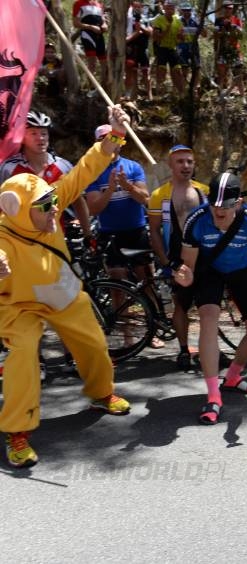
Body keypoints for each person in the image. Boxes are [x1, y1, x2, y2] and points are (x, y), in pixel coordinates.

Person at [0, 106, 132, 469]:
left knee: (92, 342)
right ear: (16, 210)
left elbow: (88, 167)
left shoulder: (50, 199)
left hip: (62, 293)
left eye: (51, 204)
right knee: (22, 359)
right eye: (43, 209)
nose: (53, 213)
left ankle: (102, 393)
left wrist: (115, 135)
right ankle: (17, 432)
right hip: (18, 305)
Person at [174, 172, 247, 425]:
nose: (219, 211)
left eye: (226, 206)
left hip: (241, 270)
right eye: (214, 205)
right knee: (208, 318)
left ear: (239, 203)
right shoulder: (196, 220)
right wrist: (184, 276)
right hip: (210, 271)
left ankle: (233, 376)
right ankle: (213, 396)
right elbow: (188, 267)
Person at [148, 145, 208, 369]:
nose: (186, 166)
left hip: (203, 257)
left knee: (207, 306)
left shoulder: (204, 191)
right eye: (180, 162)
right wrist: (165, 261)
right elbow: (154, 230)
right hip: (176, 258)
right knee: (180, 306)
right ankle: (184, 349)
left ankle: (206, 349)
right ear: (171, 165)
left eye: (189, 162)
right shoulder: (159, 195)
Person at [0, 111, 92, 242]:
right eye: (33, 133)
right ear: (22, 137)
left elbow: (78, 201)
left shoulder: (63, 166)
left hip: (55, 241)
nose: (40, 138)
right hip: (20, 243)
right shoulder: (8, 168)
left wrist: (88, 234)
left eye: (44, 133)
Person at [84, 124, 152, 292]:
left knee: (147, 281)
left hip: (136, 230)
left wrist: (127, 186)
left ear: (121, 141)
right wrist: (111, 189)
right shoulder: (93, 172)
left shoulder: (133, 167)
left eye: (113, 138)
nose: (110, 143)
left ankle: (155, 316)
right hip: (109, 233)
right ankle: (121, 317)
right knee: (117, 285)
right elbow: (93, 209)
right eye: (103, 139)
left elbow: (145, 199)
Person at [151, 0, 185, 96]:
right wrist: (167, 29)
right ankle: (159, 93)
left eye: (172, 8)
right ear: (164, 9)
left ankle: (181, 94)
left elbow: (182, 37)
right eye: (168, 8)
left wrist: (181, 36)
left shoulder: (177, 20)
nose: (170, 10)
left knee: (177, 71)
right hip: (161, 48)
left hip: (173, 48)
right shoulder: (159, 20)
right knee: (161, 71)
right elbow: (156, 37)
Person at [72, 0, 109, 89]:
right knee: (92, 62)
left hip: (99, 35)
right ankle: (91, 87)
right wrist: (90, 27)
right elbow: (75, 23)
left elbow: (103, 20)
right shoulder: (78, 3)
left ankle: (103, 86)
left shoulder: (99, 4)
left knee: (104, 61)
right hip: (87, 34)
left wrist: (105, 25)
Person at [214, 1, 245, 103]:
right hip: (223, 50)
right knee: (222, 75)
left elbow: (241, 35)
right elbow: (216, 35)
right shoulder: (218, 21)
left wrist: (234, 27)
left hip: (235, 51)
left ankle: (242, 97)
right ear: (222, 9)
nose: (228, 10)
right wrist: (223, 29)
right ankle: (220, 95)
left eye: (230, 8)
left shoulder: (236, 20)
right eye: (226, 8)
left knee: (238, 75)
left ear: (232, 9)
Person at [125, 5, 154, 101]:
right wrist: (137, 32)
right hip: (132, 49)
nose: (138, 7)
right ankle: (133, 95)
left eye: (140, 6)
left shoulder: (146, 18)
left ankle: (149, 95)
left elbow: (150, 32)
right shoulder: (128, 17)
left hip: (143, 48)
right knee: (133, 71)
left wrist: (141, 28)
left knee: (146, 72)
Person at [177, 2, 204, 87]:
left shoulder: (195, 21)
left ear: (191, 11)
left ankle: (195, 89)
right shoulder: (178, 21)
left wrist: (201, 25)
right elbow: (175, 35)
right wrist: (179, 35)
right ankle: (184, 89)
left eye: (188, 10)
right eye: (184, 10)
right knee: (184, 68)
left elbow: (205, 34)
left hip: (194, 46)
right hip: (182, 46)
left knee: (197, 68)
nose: (186, 12)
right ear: (181, 11)